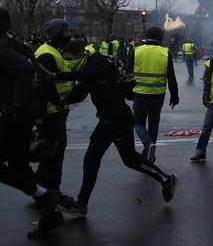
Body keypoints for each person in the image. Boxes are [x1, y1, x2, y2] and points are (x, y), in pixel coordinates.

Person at [54, 40, 178, 217]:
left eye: (69, 59)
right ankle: (81, 205)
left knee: (130, 160)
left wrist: (55, 75)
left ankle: (166, 179)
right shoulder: (87, 67)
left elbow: (85, 75)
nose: (68, 63)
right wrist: (65, 100)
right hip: (106, 121)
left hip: (118, 120)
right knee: (91, 160)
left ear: (79, 55)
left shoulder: (97, 63)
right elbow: (80, 91)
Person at [0, 8, 64, 238]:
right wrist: (55, 101)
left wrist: (16, 106)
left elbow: (25, 69)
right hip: (26, 114)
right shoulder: (17, 44)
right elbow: (40, 71)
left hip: (14, 115)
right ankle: (52, 207)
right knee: (18, 164)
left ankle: (46, 196)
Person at [129, 26, 179, 163]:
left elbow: (127, 73)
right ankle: (148, 154)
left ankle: (147, 144)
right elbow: (171, 77)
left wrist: (126, 91)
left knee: (138, 122)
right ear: (160, 38)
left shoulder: (137, 51)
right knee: (154, 124)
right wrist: (175, 96)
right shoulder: (165, 52)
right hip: (158, 94)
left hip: (140, 93)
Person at [34, 18, 73, 191]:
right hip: (51, 111)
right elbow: (44, 85)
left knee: (51, 150)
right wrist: (57, 103)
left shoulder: (53, 51)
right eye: (67, 31)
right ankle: (51, 189)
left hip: (57, 110)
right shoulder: (47, 54)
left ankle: (40, 186)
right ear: (58, 33)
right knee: (56, 151)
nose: (70, 34)